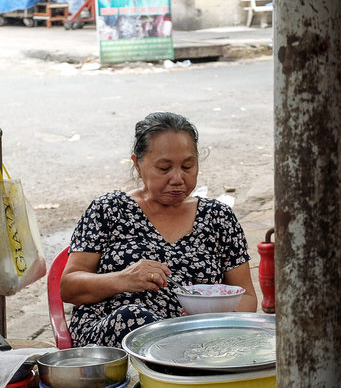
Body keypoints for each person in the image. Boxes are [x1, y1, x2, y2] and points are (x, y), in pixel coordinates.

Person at [60, 111, 257, 348]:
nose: (177, 178)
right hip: (112, 335)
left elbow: (246, 296)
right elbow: (69, 287)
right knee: (133, 317)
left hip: (196, 336)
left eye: (187, 166)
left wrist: (211, 317)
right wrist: (123, 279)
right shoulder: (109, 209)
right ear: (138, 165)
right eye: (164, 168)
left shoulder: (219, 218)